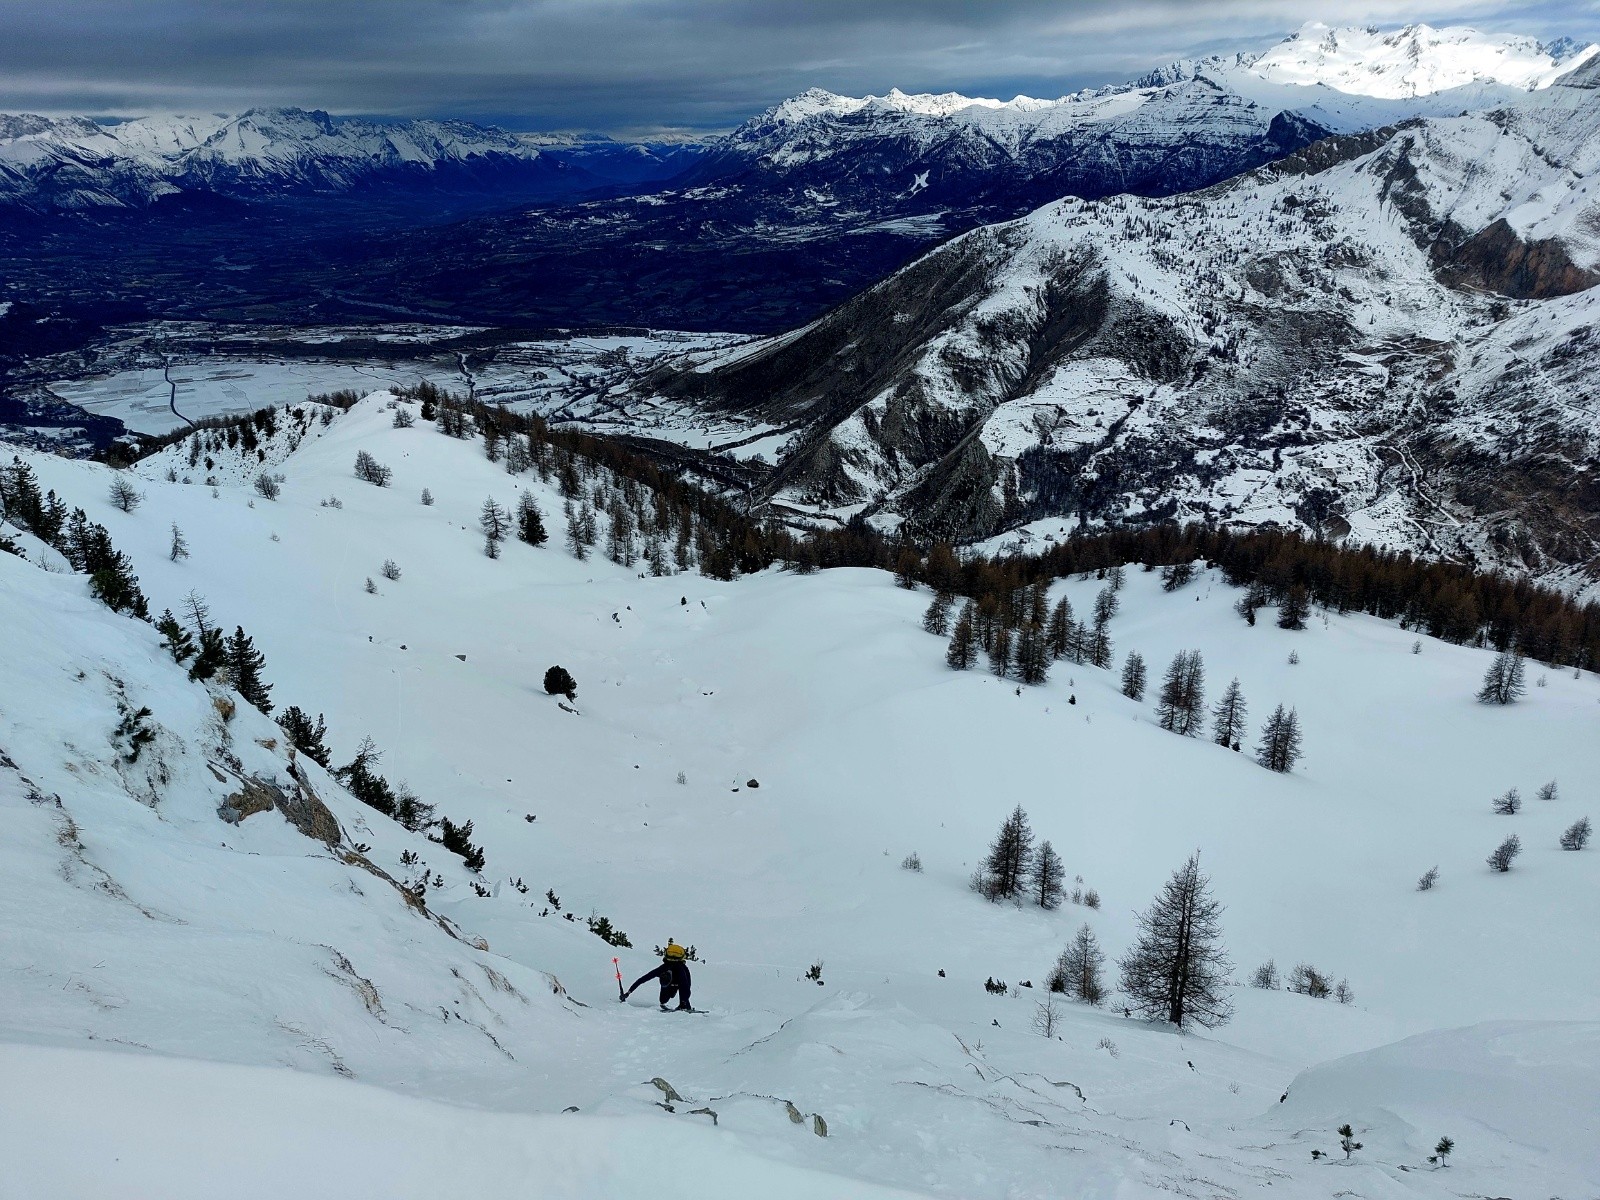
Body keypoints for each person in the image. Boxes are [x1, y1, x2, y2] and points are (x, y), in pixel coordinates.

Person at [621, 940, 693, 1011]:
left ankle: (678, 1004)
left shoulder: (664, 968)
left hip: (667, 985)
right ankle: (684, 1005)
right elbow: (686, 986)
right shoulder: (683, 969)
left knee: (663, 998)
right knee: (683, 987)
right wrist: (684, 1003)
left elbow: (643, 979)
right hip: (676, 984)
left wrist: (628, 993)